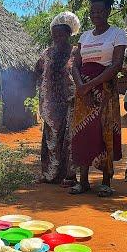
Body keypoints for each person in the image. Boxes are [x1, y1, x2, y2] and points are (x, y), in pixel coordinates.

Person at [70, 0, 127, 197]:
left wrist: (91, 85)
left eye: (100, 11)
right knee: (83, 133)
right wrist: (80, 86)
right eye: (92, 11)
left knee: (105, 133)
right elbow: (75, 64)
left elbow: (116, 65)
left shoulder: (117, 34)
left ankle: (105, 181)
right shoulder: (84, 37)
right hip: (83, 91)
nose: (95, 14)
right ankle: (83, 181)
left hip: (105, 90)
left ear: (108, 12)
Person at [35, 11, 81, 187]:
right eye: (55, 35)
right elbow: (37, 71)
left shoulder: (76, 52)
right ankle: (50, 174)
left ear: (69, 34)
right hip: (51, 103)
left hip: (70, 101)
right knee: (51, 139)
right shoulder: (46, 53)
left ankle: (69, 176)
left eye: (61, 34)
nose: (58, 38)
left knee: (69, 139)